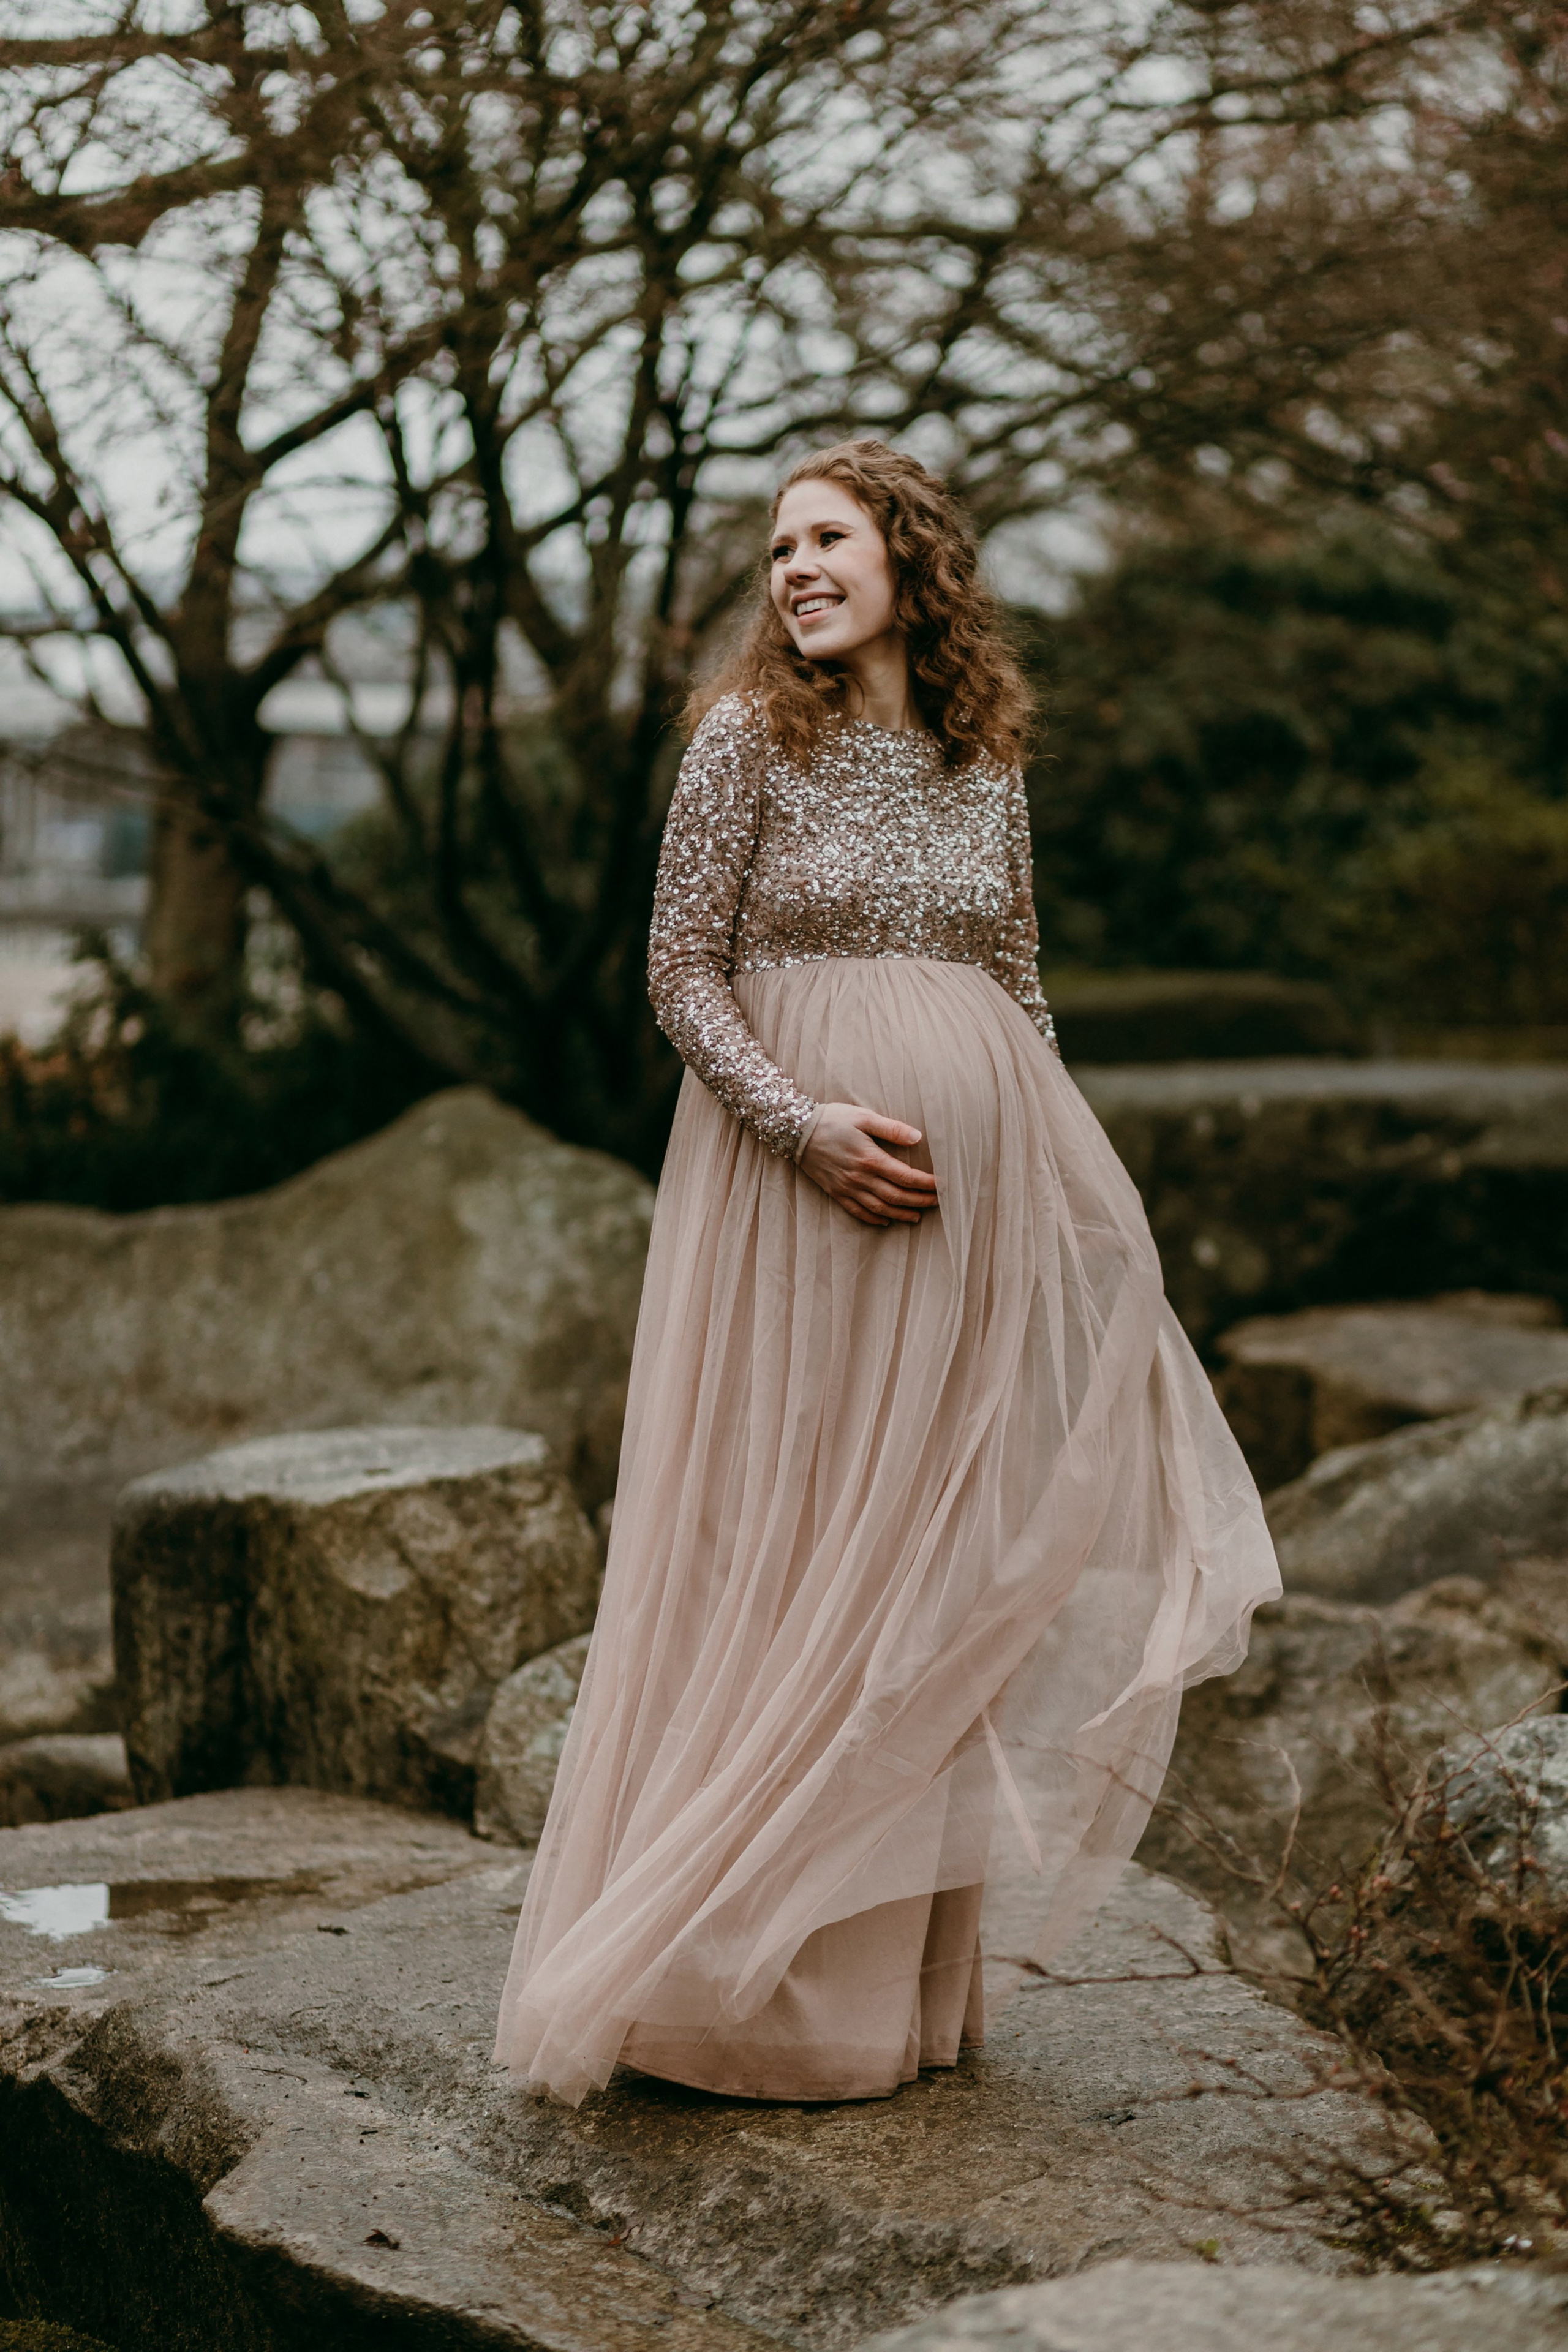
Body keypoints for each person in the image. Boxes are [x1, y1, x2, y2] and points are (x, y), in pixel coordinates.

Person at [494, 439, 1280, 2108]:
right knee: (796, 1538)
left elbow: (1019, 985)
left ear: (910, 559)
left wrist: (1062, 1199)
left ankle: (898, 1989)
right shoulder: (742, 740)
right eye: (780, 547)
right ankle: (746, 1991)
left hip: (964, 1231)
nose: (795, 569)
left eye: (827, 538)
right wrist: (804, 1127)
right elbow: (681, 978)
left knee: (937, 1558)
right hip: (797, 1212)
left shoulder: (976, 751)